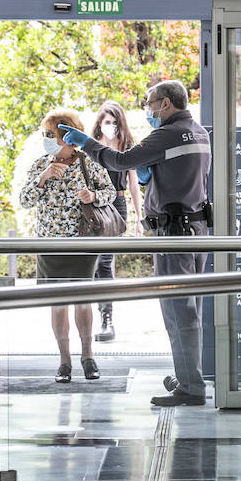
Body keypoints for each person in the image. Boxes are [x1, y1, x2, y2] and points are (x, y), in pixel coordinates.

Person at [60, 80, 212, 407]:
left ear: (166, 104)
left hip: (175, 234)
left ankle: (191, 387)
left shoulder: (167, 134)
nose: (147, 108)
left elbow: (118, 162)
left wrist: (86, 142)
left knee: (177, 312)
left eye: (150, 102)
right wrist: (153, 174)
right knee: (191, 310)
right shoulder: (199, 132)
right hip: (197, 230)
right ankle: (188, 375)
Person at [18, 108, 117, 384]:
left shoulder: (89, 164)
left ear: (67, 136)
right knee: (57, 304)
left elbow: (109, 193)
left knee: (82, 302)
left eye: (52, 134)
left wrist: (92, 196)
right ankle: (64, 360)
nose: (47, 139)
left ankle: (88, 356)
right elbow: (24, 200)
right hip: (50, 245)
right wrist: (43, 178)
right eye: (45, 134)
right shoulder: (41, 164)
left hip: (81, 243)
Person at [88, 100, 144, 343]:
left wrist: (139, 218)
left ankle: (106, 317)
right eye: (107, 122)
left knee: (105, 261)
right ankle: (95, 313)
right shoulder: (90, 147)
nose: (110, 126)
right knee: (93, 264)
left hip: (117, 204)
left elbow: (133, 185)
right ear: (100, 123)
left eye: (115, 122)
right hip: (94, 205)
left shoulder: (127, 146)